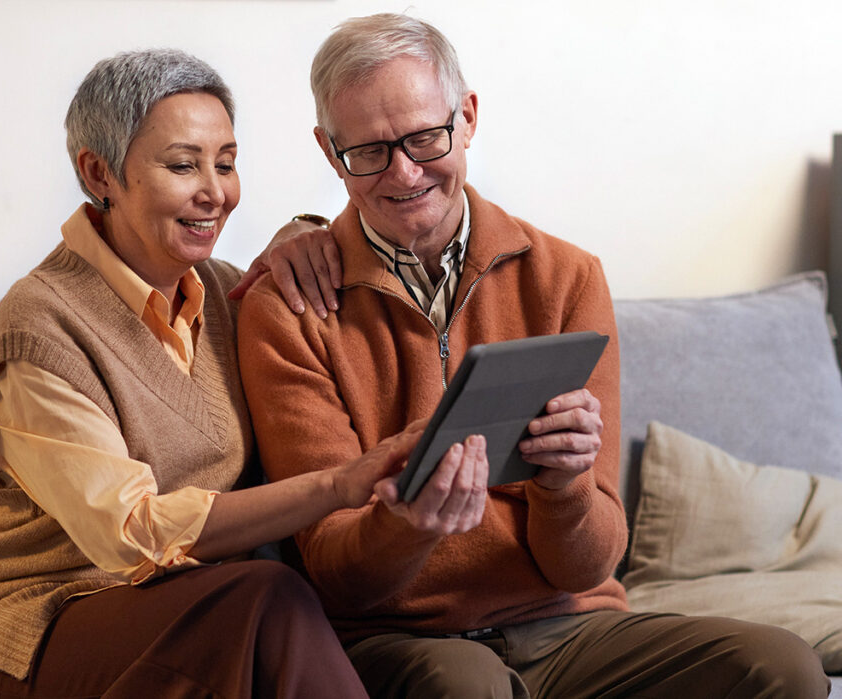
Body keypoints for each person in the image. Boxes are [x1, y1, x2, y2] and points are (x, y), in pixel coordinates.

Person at [237, 13, 830, 698]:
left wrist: (564, 487)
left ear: (468, 117)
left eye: (426, 137)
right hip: (398, 638)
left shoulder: (566, 277)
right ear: (328, 150)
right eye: (367, 151)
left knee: (782, 666)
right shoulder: (289, 308)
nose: (403, 172)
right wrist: (405, 527)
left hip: (567, 627)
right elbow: (337, 571)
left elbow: (591, 561)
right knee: (465, 685)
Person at [0, 48, 424, 699]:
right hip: (15, 645)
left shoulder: (229, 297)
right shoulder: (39, 325)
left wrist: (313, 232)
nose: (216, 191)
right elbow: (131, 534)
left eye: (227, 163)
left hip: (196, 625)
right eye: (184, 165)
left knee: (264, 611)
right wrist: (339, 484)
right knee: (267, 600)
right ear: (99, 172)